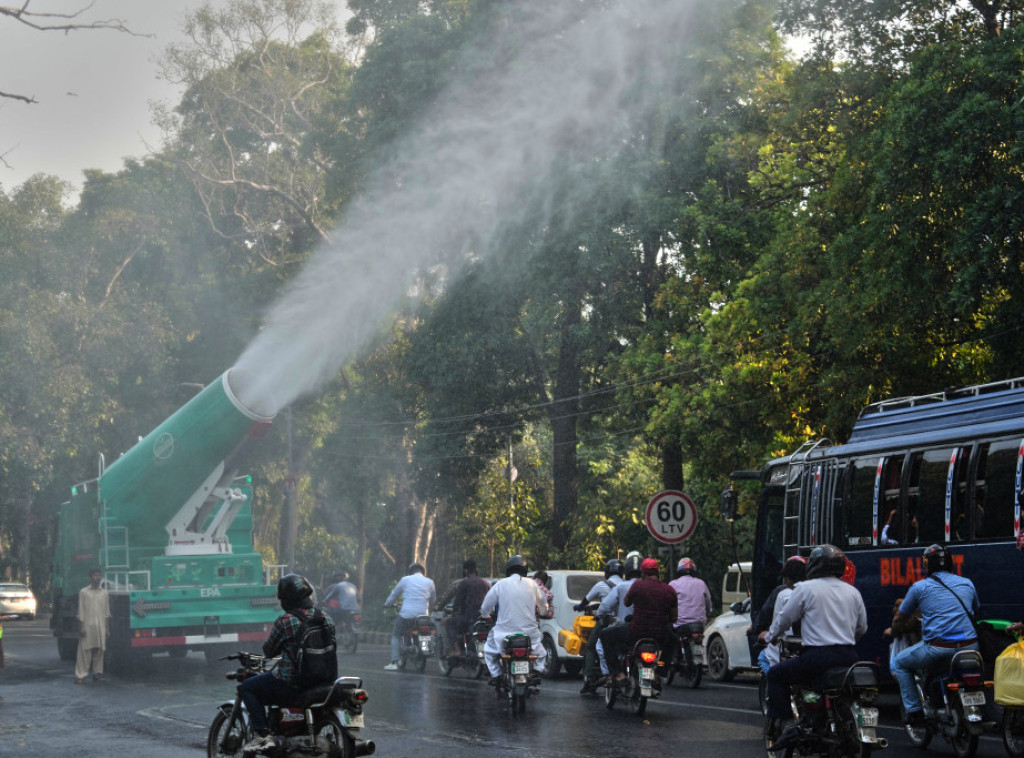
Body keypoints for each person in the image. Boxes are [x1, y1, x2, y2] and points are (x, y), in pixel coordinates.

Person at [761, 544, 867, 749]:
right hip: (848, 656)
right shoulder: (853, 592)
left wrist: (769, 637)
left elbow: (785, 619)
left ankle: (790, 724)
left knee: (775, 674)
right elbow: (861, 627)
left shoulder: (805, 589)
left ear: (816, 565)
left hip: (817, 657)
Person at [239, 573, 336, 754]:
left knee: (247, 687)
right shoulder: (326, 618)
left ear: (287, 600)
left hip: (292, 683)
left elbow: (269, 651)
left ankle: (263, 735)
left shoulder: (286, 620)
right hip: (324, 681)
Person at [890, 544, 980, 727]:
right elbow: (975, 609)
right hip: (971, 646)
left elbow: (901, 617)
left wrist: (893, 630)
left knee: (900, 662)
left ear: (926, 565)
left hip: (939, 649)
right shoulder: (967, 583)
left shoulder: (919, 587)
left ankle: (914, 712)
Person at [603, 558, 678, 688]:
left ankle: (618, 674)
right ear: (657, 572)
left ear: (643, 573)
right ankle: (659, 673)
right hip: (660, 636)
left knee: (605, 635)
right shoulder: (669, 590)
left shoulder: (637, 586)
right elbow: (674, 617)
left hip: (636, 633)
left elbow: (627, 602)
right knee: (674, 640)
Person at [479, 555, 549, 684]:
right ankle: (537, 671)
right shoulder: (532, 584)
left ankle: (496, 675)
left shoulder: (500, 584)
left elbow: (486, 606)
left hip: (503, 632)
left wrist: (484, 615)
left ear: (508, 569)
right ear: (525, 569)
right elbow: (544, 605)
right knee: (541, 653)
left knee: (488, 650)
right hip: (529, 633)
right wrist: (544, 612)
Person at [576, 558, 623, 693]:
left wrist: (579, 607)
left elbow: (586, 601)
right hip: (622, 624)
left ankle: (589, 677)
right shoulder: (626, 585)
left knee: (590, 646)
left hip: (606, 622)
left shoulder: (601, 585)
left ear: (607, 572)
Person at [594, 554, 642, 683]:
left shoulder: (622, 587)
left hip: (627, 630)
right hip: (652, 630)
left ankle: (617, 674)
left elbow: (603, 608)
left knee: (604, 637)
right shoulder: (651, 587)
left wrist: (601, 615)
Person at [756, 556, 807, 674]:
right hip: (817, 650)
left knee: (766, 661)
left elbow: (781, 621)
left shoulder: (783, 594)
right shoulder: (817, 592)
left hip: (789, 649)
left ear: (788, 579)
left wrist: (768, 635)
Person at [383, 562, 436, 671]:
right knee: (426, 632)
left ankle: (394, 662)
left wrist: (387, 604)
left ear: (411, 571)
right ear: (422, 571)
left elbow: (394, 594)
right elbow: (432, 600)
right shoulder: (430, 582)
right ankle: (424, 648)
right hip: (423, 617)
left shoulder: (405, 580)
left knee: (396, 635)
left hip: (406, 615)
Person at [669, 557, 712, 667]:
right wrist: (706, 613)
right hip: (699, 625)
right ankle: (697, 660)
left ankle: (675, 658)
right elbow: (708, 604)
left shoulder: (674, 584)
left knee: (670, 637)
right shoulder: (701, 583)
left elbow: (667, 602)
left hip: (680, 624)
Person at [445, 559, 490, 657]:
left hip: (468, 618)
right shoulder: (485, 583)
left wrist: (453, 613)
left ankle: (457, 649)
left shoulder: (464, 583)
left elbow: (457, 603)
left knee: (449, 623)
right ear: (476, 570)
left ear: (465, 570)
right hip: (484, 619)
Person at [75, 568, 110, 684]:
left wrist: (106, 628)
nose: (97, 577)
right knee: (85, 651)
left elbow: (106, 613)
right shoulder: (84, 592)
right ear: (90, 577)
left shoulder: (104, 593)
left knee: (99, 650)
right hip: (88, 626)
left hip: (100, 626)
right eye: (95, 575)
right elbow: (81, 611)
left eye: (99, 575)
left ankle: (97, 674)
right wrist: (82, 626)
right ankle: (81, 675)